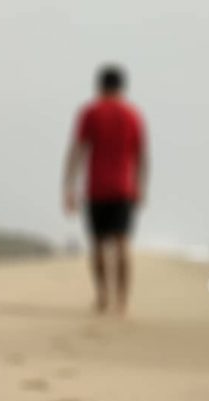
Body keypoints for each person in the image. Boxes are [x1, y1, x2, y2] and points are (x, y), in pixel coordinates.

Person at [63, 65, 148, 314]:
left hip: (96, 189)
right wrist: (141, 187)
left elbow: (77, 151)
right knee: (123, 243)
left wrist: (69, 186)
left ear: (99, 86)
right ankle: (122, 301)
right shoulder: (133, 114)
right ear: (122, 86)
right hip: (124, 187)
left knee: (98, 244)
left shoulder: (91, 112)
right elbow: (141, 155)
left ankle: (102, 296)